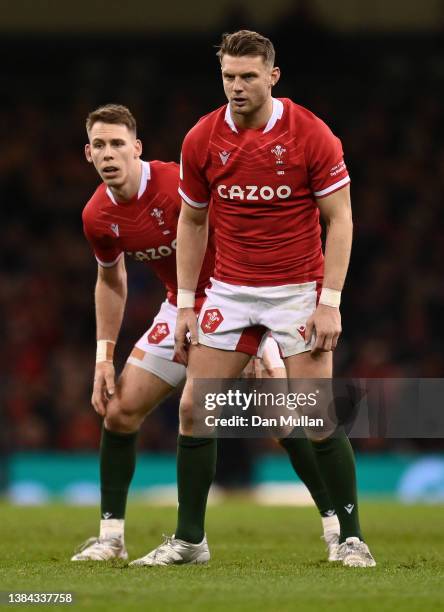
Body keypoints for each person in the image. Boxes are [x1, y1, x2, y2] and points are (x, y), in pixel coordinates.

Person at [132, 31, 375, 568]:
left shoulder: (312, 135)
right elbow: (192, 221)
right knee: (195, 409)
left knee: (316, 416)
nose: (237, 87)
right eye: (228, 77)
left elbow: (341, 220)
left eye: (247, 76)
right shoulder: (202, 139)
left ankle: (352, 538)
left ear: (273, 75)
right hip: (231, 290)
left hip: (296, 290)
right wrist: (190, 303)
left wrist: (329, 300)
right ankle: (190, 541)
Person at [72, 103, 340, 562]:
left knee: (283, 421)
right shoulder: (98, 216)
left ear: (137, 149)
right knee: (118, 412)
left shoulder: (178, 186)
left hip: (243, 298)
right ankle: (111, 539)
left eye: (118, 143)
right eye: (100, 145)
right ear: (88, 154)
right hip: (182, 309)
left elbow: (242, 230)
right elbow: (110, 280)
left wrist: (252, 338)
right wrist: (103, 355)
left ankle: (338, 528)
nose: (109, 153)